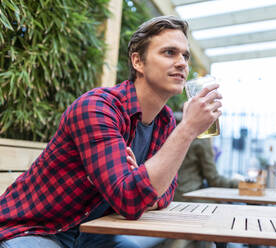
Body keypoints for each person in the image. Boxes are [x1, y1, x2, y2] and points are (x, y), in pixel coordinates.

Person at [0, 15, 222, 248]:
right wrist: (187, 129)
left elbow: (165, 195)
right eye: (169, 52)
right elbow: (131, 201)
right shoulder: (97, 108)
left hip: (93, 234)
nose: (182, 63)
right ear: (138, 62)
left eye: (185, 55)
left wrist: (140, 181)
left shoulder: (164, 121)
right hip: (36, 230)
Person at [174, 138, 239, 202]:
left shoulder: (174, 132)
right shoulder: (202, 139)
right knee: (222, 206)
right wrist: (239, 183)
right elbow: (214, 180)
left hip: (172, 195)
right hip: (189, 196)